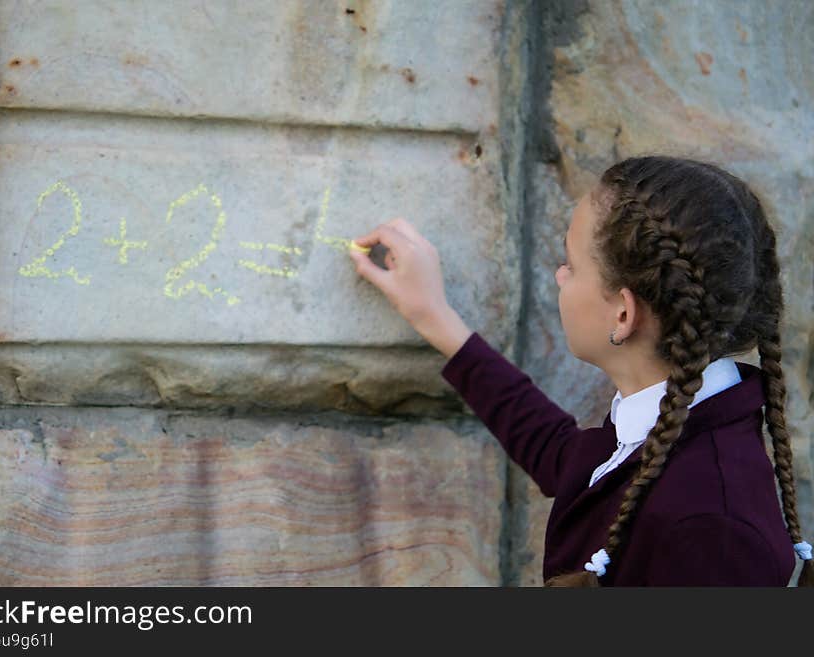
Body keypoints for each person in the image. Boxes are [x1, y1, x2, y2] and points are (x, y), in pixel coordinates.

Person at [347, 155, 813, 587]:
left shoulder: (714, 534)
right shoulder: (669, 427)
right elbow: (563, 455)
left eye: (571, 263)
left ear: (623, 315)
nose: (559, 275)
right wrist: (434, 317)